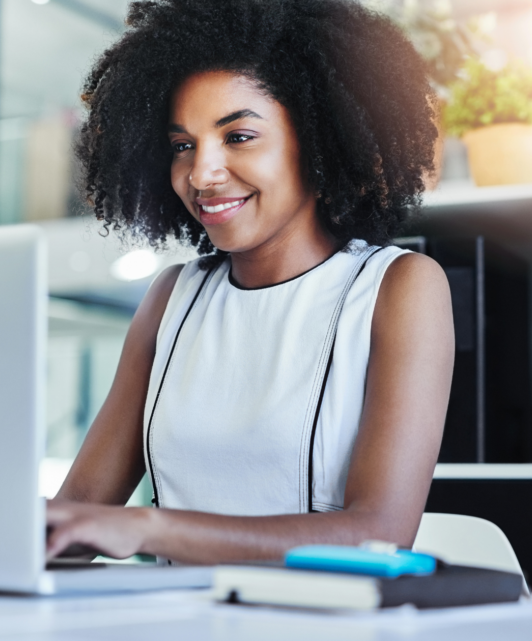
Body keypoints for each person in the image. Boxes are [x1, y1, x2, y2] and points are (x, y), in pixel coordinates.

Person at [45, 0, 455, 565]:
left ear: (316, 139)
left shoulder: (397, 288)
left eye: (238, 136)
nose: (201, 174)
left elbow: (378, 535)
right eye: (182, 146)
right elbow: (80, 512)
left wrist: (150, 528)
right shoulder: (172, 298)